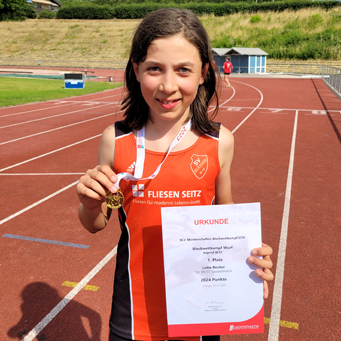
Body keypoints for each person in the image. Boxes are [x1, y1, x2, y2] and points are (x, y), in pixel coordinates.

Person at [76, 8, 274, 341]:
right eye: (155, 69)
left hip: (201, 310)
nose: (168, 86)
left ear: (203, 73)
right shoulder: (116, 140)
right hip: (133, 314)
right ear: (136, 70)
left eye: (183, 70)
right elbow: (97, 223)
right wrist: (91, 204)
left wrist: (249, 256)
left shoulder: (220, 142)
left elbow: (225, 211)